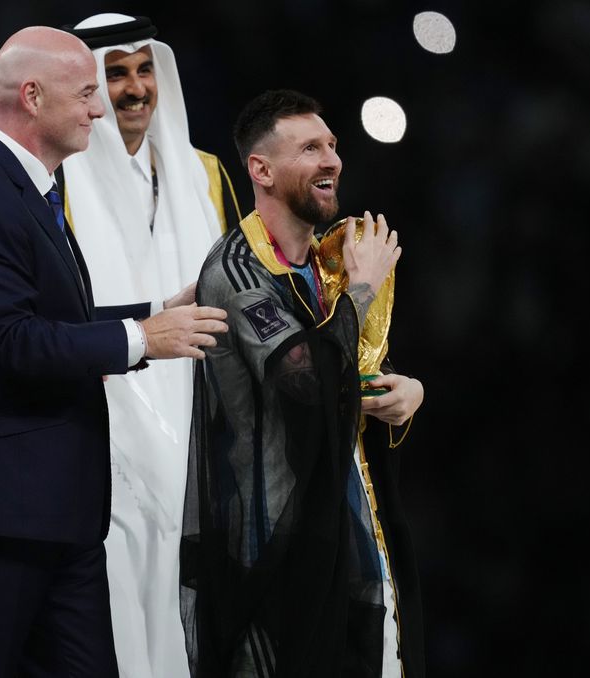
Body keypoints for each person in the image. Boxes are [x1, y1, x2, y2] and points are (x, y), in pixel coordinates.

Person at [0, 26, 228, 678]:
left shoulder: (32, 192)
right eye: (85, 94)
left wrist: (156, 312)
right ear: (33, 97)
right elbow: (9, 342)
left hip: (56, 513)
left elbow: (54, 322)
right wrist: (139, 342)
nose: (99, 109)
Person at [180, 89, 426, 677]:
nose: (332, 160)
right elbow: (308, 382)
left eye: (333, 146)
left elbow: (349, 375)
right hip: (273, 563)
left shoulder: (325, 263)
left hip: (346, 543)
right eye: (310, 147)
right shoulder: (236, 271)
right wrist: (363, 289)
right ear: (260, 170)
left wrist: (405, 392)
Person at [56, 13, 240, 678]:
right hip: (99, 443)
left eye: (143, 70)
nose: (134, 90)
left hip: (200, 443)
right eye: (115, 74)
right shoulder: (56, 182)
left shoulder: (208, 175)